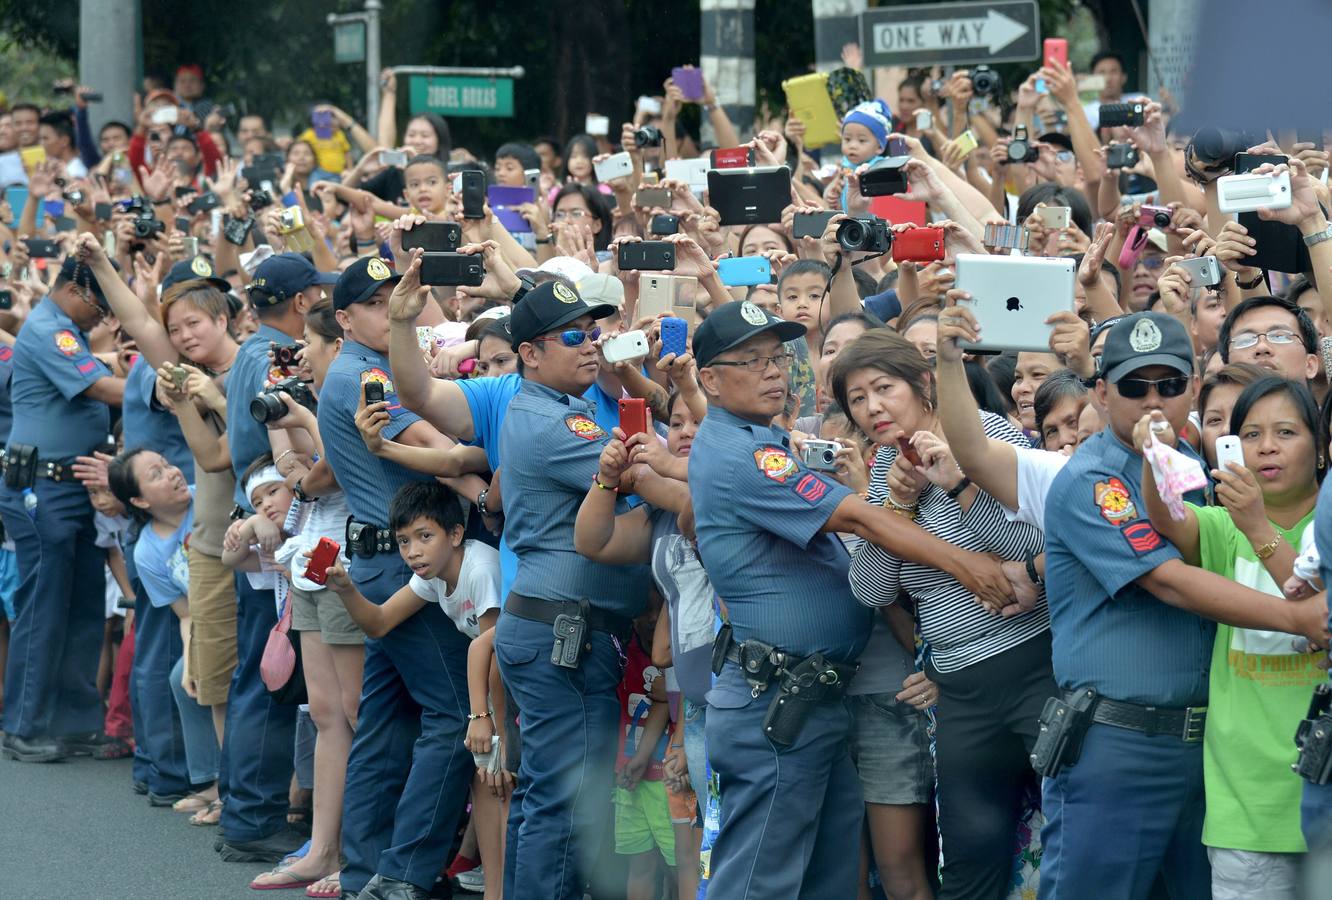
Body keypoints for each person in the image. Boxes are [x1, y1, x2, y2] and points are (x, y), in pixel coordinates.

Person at [685, 300, 1015, 899]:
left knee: (829, 877)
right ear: (709, 379)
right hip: (777, 700)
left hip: (812, 697)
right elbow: (858, 518)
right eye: (751, 360)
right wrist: (964, 564)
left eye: (777, 357)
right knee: (759, 880)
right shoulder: (745, 451)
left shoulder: (764, 439)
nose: (773, 372)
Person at [1039, 311, 1330, 899]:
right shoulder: (1091, 477)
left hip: (1203, 753)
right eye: (1133, 386)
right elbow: (1168, 577)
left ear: (1193, 389)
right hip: (1118, 744)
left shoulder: (1206, 470)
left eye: (1169, 385)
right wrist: (1297, 617)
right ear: (1100, 392)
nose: (1153, 400)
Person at [834, 328, 1052, 900]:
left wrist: (956, 481)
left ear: (923, 384)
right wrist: (897, 508)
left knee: (1071, 838)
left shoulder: (989, 437)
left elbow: (1023, 548)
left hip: (1037, 666)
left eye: (884, 388)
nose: (872, 407)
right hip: (959, 691)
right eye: (857, 398)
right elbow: (871, 590)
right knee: (967, 861)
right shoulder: (883, 470)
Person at [317, 254, 483, 900]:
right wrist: (487, 478)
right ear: (344, 317)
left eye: (397, 299)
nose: (391, 311)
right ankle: (406, 872)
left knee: (387, 725)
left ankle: (368, 873)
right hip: (405, 562)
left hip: (383, 557)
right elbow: (440, 456)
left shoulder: (369, 364)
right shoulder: (364, 376)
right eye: (376, 303)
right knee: (451, 713)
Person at [1142, 376, 1327, 897]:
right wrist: (1153, 456)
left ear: (1319, 447)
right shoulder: (1223, 527)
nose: (1266, 446)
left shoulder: (1325, 527)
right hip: (1247, 808)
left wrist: (1258, 528)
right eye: (1250, 433)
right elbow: (1166, 517)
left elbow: (1319, 618)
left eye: (1286, 431)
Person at [318, 480, 506, 900]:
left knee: (496, 775)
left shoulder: (480, 570)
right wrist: (347, 589)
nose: (413, 551)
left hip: (511, 685)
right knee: (486, 776)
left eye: (425, 537)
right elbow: (380, 623)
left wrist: (482, 717)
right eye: (404, 541)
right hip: (493, 686)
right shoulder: (434, 576)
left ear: (456, 534)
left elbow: (495, 650)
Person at [217, 252, 337, 863]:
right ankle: (250, 818)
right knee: (273, 676)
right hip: (276, 520)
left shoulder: (248, 350)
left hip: (268, 519)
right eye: (319, 293)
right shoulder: (271, 358)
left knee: (261, 674)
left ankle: (246, 808)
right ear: (301, 302)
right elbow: (278, 451)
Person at [0, 256, 124, 764]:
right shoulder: (53, 330)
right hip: (42, 487)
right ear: (76, 289)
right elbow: (98, 387)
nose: (104, 317)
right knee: (45, 605)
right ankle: (23, 724)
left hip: (73, 486)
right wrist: (163, 390)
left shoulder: (67, 329)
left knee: (83, 605)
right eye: (102, 304)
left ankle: (75, 722)